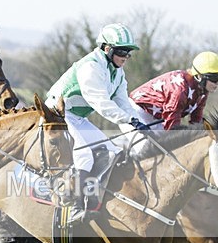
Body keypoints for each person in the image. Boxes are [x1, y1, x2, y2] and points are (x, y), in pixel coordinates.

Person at [44, 22, 149, 217]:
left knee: (111, 152)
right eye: (122, 52)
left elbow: (123, 104)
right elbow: (100, 102)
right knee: (84, 155)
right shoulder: (91, 67)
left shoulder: (118, 73)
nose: (126, 57)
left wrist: (137, 125)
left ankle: (91, 196)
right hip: (58, 116)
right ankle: (74, 205)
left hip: (76, 117)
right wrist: (129, 119)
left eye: (128, 53)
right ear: (107, 49)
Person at [129, 51, 218, 131]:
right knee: (148, 148)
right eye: (214, 79)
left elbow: (196, 121)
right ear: (199, 76)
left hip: (156, 117)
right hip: (137, 110)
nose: (217, 83)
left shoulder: (202, 91)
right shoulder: (180, 90)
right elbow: (172, 127)